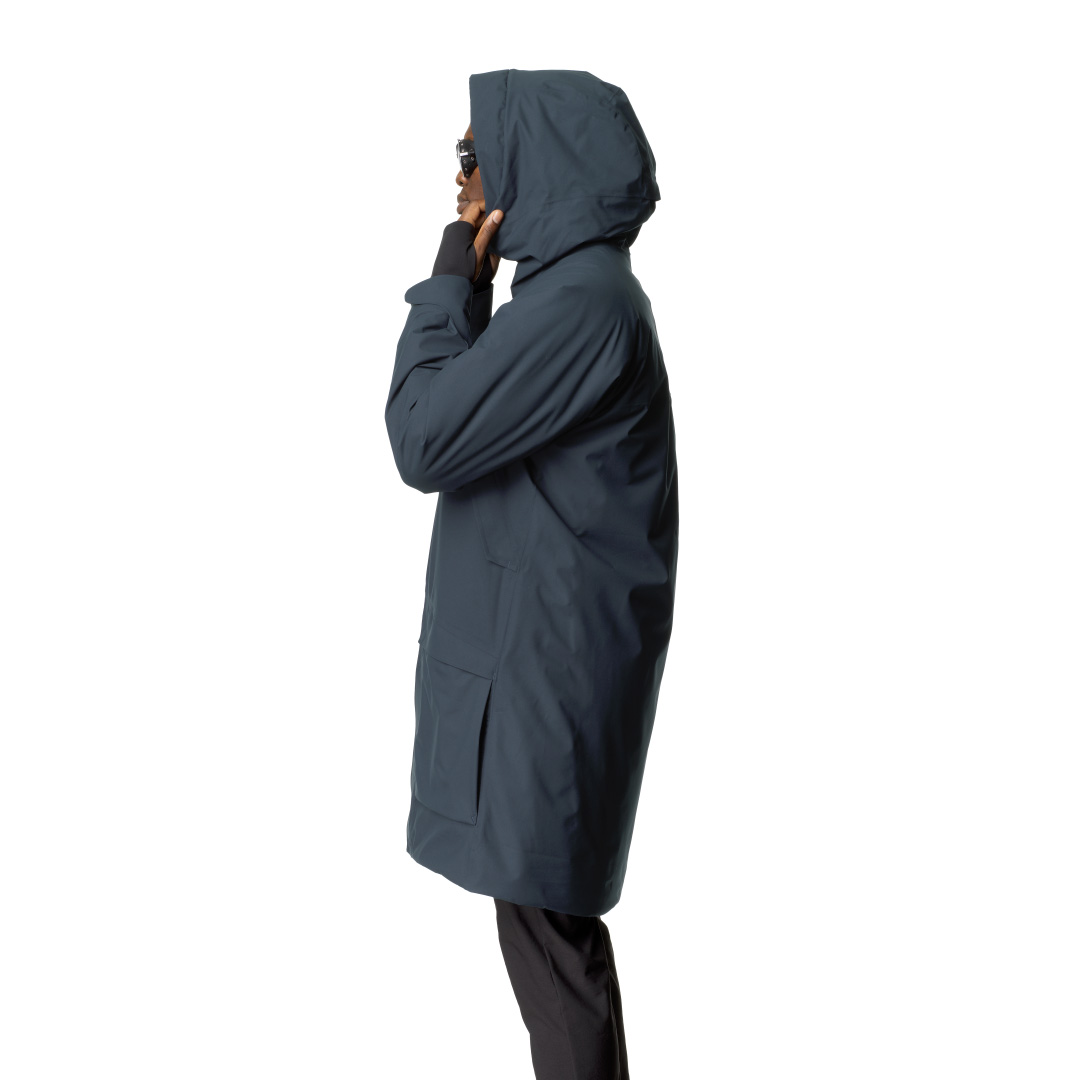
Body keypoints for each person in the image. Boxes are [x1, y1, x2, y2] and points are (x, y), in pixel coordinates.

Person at [385, 68, 678, 1080]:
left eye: (474, 156)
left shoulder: (579, 307)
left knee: (553, 947)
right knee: (548, 939)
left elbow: (424, 439)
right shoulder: (570, 300)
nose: (462, 182)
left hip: (546, 677)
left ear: (538, 165)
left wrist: (448, 285)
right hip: (543, 669)